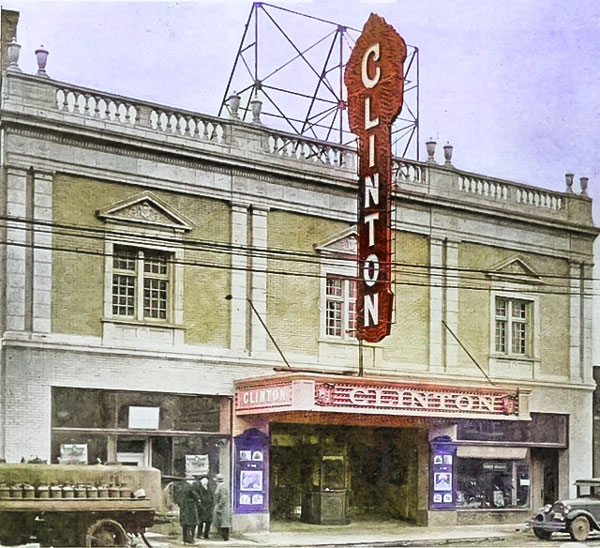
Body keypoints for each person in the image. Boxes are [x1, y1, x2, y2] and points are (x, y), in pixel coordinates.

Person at [173, 476, 199, 544]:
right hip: (190, 508)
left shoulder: (181, 487)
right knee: (191, 524)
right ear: (190, 480)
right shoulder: (190, 487)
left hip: (183, 508)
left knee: (185, 525)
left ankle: (184, 539)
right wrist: (198, 499)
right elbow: (196, 496)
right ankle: (190, 539)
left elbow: (177, 498)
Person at [213, 473, 231, 541]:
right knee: (221, 523)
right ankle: (223, 536)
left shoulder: (222, 487)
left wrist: (219, 505)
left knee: (224, 523)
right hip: (221, 508)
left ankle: (225, 537)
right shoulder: (220, 486)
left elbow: (223, 498)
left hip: (223, 509)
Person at [195, 474, 214, 540]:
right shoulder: (199, 489)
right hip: (202, 507)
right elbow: (198, 497)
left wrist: (211, 503)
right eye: (204, 481)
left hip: (208, 507)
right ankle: (199, 534)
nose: (206, 482)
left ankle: (206, 534)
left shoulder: (209, 489)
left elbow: (212, 497)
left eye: (206, 481)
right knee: (201, 521)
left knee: (208, 522)